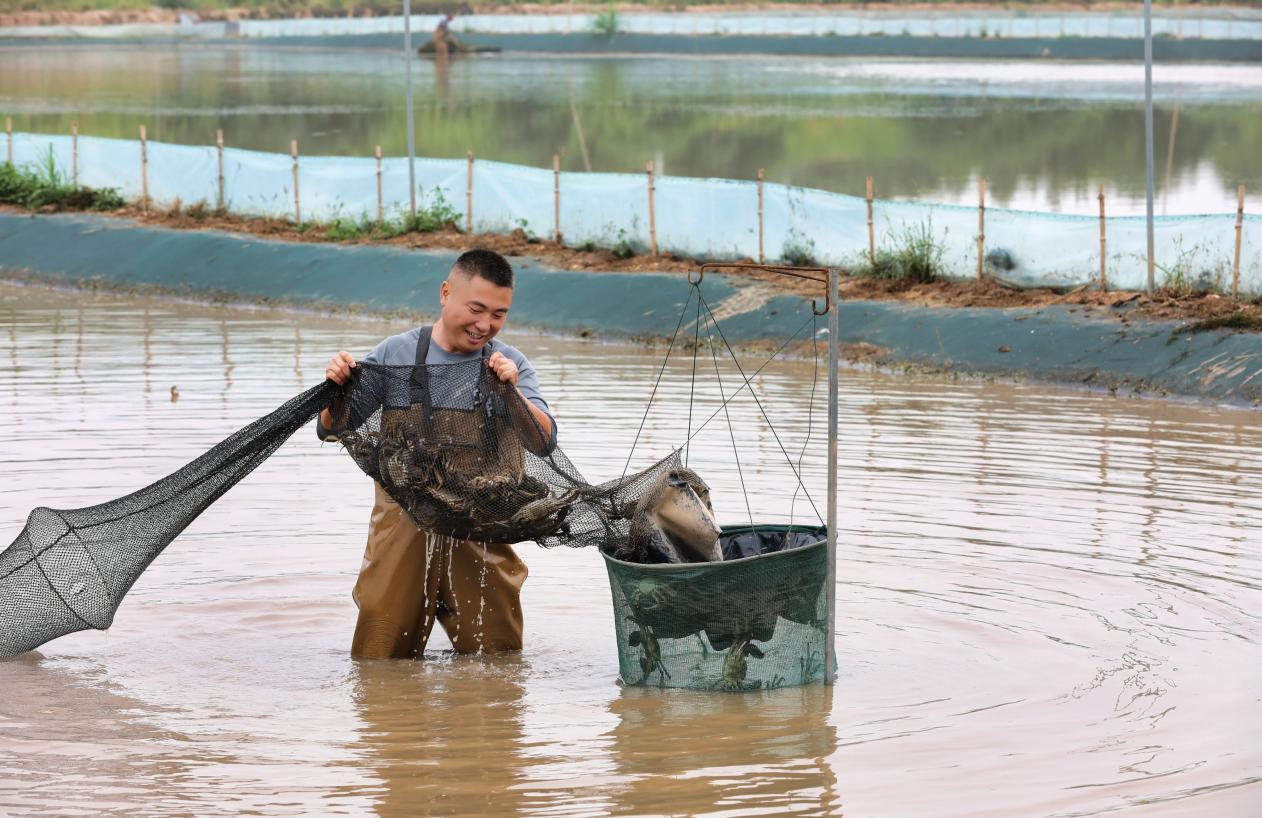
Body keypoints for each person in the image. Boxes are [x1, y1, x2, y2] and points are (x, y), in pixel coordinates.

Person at [320, 249, 556, 659]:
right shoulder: (394, 355)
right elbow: (330, 428)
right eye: (476, 309)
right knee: (380, 664)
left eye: (498, 314)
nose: (485, 325)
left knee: (498, 662)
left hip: (481, 528)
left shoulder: (510, 364)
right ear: (446, 293)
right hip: (401, 530)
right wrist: (338, 388)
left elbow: (544, 442)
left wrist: (510, 393)